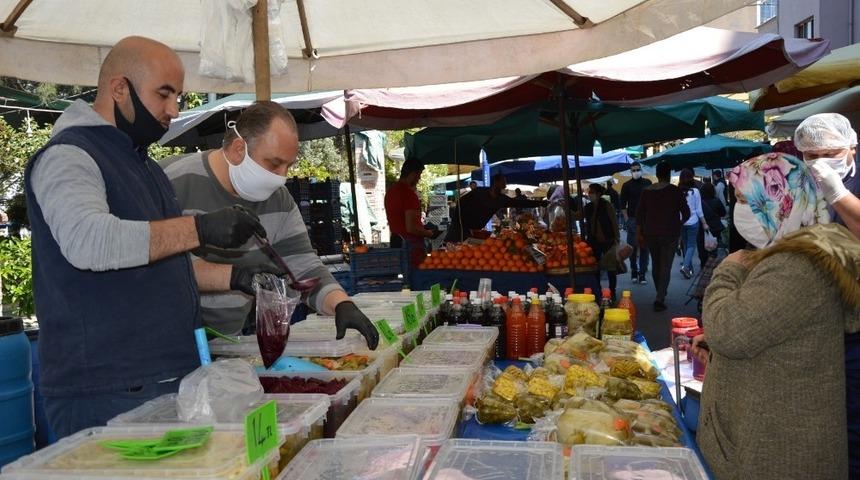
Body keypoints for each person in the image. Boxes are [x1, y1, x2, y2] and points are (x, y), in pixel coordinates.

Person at [23, 36, 269, 438]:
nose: (173, 110)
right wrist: (199, 228)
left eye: (178, 96)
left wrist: (235, 277)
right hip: (105, 389)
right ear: (119, 89)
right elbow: (90, 241)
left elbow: (157, 255)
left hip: (167, 378)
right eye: (164, 94)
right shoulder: (68, 156)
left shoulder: (146, 168)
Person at [691, 152, 859, 480]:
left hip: (778, 452)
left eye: (743, 200)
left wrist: (727, 272)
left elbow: (731, 332)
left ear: (776, 200)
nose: (738, 209)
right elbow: (771, 327)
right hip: (771, 437)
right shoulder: (792, 256)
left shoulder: (797, 266)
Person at [163, 101, 379, 350]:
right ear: (237, 149)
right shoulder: (172, 181)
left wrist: (340, 303)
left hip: (227, 343)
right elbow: (154, 262)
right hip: (165, 344)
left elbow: (302, 266)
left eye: (288, 166)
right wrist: (234, 276)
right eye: (274, 163)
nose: (281, 176)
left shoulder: (279, 200)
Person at [793, 113, 860, 478]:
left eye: (830, 152)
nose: (819, 163)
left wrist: (838, 194)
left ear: (852, 146)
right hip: (822, 315)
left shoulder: (844, 182)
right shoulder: (801, 182)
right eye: (810, 156)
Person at [636, 161, 690, 312]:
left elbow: (639, 214)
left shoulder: (647, 192)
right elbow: (686, 212)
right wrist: (679, 224)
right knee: (666, 265)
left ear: (657, 174)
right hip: (670, 233)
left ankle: (660, 293)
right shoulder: (675, 191)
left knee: (656, 264)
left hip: (650, 233)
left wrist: (639, 233)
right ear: (669, 174)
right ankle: (660, 297)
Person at [445, 174, 547, 242]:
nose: (505, 186)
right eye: (503, 183)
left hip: (476, 232)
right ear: (495, 183)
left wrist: (540, 203)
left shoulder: (502, 199)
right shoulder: (478, 192)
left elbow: (520, 203)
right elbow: (460, 202)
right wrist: (462, 224)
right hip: (460, 229)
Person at [384, 158, 440, 266]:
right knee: (416, 280)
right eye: (419, 175)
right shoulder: (408, 194)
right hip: (412, 249)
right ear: (414, 174)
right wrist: (429, 233)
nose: (419, 178)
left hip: (396, 245)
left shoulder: (390, 192)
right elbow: (411, 228)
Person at [579, 184, 620, 299]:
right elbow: (578, 216)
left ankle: (612, 291)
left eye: (592, 192)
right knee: (594, 266)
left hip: (608, 240)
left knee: (611, 267)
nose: (589, 194)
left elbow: (614, 222)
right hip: (593, 241)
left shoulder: (607, 206)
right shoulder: (588, 207)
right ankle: (598, 289)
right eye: (589, 192)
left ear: (598, 194)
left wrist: (617, 238)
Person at [619, 162, 652, 284]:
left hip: (646, 219)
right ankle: (634, 271)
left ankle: (642, 274)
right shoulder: (626, 185)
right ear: (630, 171)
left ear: (641, 170)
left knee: (644, 247)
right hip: (632, 219)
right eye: (633, 170)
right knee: (632, 247)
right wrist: (627, 219)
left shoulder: (648, 183)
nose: (636, 172)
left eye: (638, 169)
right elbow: (622, 205)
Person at [679, 168, 708, 279]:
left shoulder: (678, 191)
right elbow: (699, 209)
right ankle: (686, 267)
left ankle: (688, 269)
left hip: (682, 222)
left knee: (686, 245)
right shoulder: (695, 191)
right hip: (693, 221)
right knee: (691, 245)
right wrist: (704, 223)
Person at [696, 182, 726, 270]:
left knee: (701, 247)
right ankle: (712, 266)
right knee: (713, 247)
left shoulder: (699, 202)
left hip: (702, 228)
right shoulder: (716, 200)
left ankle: (703, 265)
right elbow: (723, 212)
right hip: (714, 228)